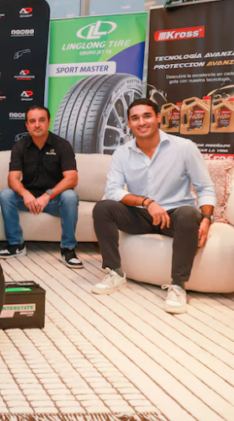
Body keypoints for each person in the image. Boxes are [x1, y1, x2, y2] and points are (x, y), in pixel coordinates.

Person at [92, 98, 215, 314]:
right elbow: (113, 190)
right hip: (141, 215)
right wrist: (146, 202)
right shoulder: (122, 153)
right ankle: (115, 273)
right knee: (102, 208)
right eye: (135, 118)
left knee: (188, 214)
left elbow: (205, 188)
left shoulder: (184, 148)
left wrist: (206, 219)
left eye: (147, 116)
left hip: (175, 216)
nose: (141, 122)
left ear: (158, 118)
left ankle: (178, 285)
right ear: (129, 123)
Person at [0, 105, 81, 268]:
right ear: (27, 125)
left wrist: (48, 195)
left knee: (70, 196)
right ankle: (16, 245)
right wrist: (25, 194)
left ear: (48, 122)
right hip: (28, 200)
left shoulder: (62, 145)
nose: (37, 125)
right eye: (32, 121)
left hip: (54, 200)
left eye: (41, 120)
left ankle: (68, 249)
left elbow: (72, 178)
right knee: (6, 194)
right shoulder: (20, 146)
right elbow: (13, 178)